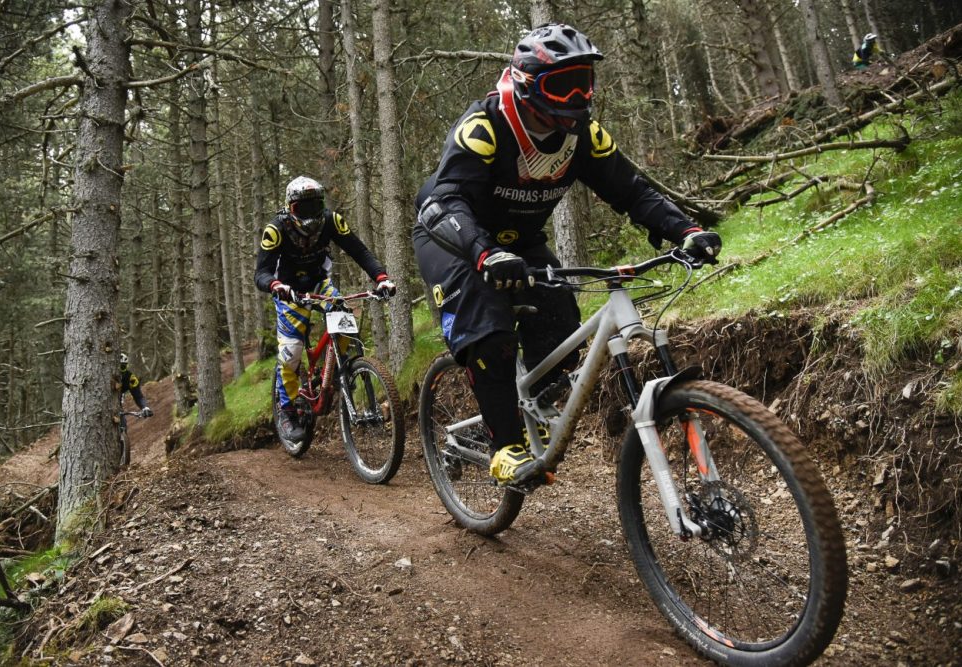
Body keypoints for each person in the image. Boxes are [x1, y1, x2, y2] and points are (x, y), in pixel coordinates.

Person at [412, 23, 721, 485]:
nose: (577, 96)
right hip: (455, 240)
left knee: (558, 320)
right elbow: (443, 203)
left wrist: (687, 230)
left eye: (585, 82)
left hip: (521, 243)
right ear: (526, 83)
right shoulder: (486, 126)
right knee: (488, 329)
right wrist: (484, 254)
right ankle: (505, 446)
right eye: (562, 84)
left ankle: (533, 404)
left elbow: (632, 191)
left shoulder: (583, 135)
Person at [255, 175, 396, 443]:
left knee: (345, 324)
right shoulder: (276, 230)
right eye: (302, 208)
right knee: (292, 351)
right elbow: (260, 273)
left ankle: (337, 373)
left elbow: (359, 251)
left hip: (319, 284)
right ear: (289, 207)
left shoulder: (332, 220)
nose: (309, 215)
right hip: (289, 291)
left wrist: (382, 278)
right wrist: (275, 285)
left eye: (314, 206)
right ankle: (287, 411)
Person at [119, 352, 153, 418]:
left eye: (122, 367)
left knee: (122, 423)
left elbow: (138, 396)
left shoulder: (131, 378)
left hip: (116, 408)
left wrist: (145, 407)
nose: (119, 370)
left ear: (126, 366)